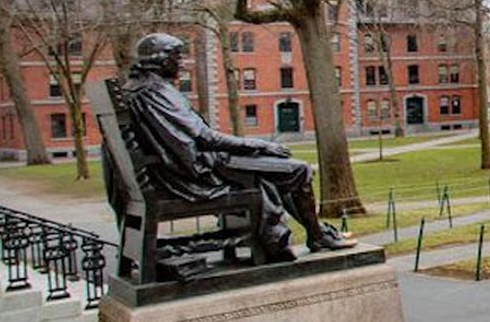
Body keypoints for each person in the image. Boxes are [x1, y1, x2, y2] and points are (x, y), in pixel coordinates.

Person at [119, 32, 354, 264]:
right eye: (176, 56)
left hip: (176, 168)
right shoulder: (155, 91)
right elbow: (204, 137)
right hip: (195, 172)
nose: (181, 62)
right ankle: (316, 236)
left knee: (277, 172)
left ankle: (317, 232)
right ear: (158, 59)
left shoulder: (138, 87)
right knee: (298, 169)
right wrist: (258, 144)